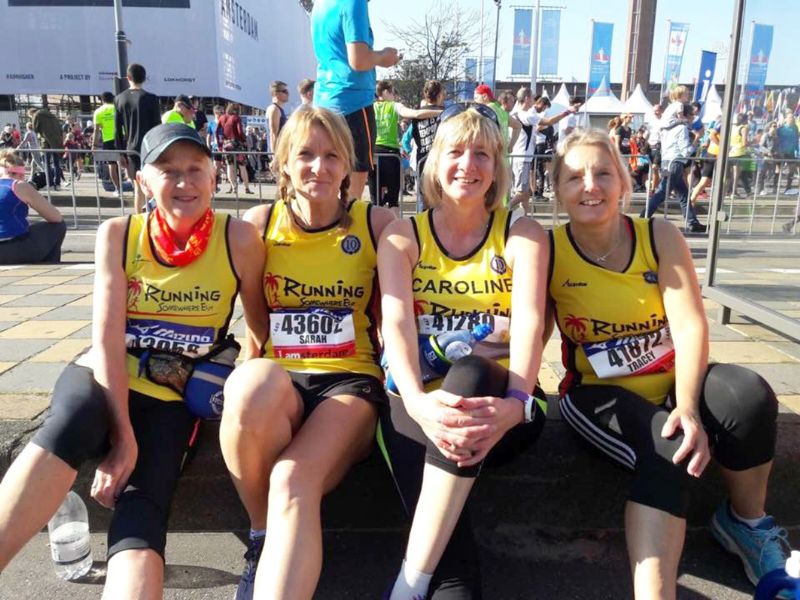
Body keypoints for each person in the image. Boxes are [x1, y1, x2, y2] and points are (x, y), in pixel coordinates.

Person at [0, 123, 267, 598]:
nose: (184, 183)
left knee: (146, 499)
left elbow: (259, 334)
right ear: (142, 180)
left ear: (214, 174)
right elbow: (104, 338)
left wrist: (235, 385)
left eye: (195, 170)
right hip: (103, 373)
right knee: (70, 421)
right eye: (168, 171)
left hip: (173, 392)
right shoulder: (119, 233)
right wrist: (122, 437)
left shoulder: (240, 238)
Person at [547, 128, 788, 600]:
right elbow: (529, 332)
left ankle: (745, 524)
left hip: (673, 382)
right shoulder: (550, 249)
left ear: (623, 181)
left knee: (749, 396)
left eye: (602, 173)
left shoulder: (658, 234)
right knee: (667, 447)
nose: (590, 186)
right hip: (596, 393)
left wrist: (691, 406)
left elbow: (691, 325)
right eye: (574, 177)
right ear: (557, 189)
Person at [219, 106, 394, 600]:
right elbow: (255, 317)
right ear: (283, 163)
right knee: (249, 383)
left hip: (348, 382)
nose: (319, 167)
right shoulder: (258, 224)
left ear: (347, 165)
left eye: (331, 155)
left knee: (292, 477)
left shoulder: (376, 222)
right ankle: (262, 538)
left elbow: (393, 315)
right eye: (306, 155)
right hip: (282, 381)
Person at [378, 104, 549, 599]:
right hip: (413, 400)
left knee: (472, 374)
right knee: (456, 573)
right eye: (455, 151)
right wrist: (416, 404)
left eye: (482, 154)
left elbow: (531, 326)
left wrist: (517, 406)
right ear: (433, 162)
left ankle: (408, 585)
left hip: (503, 404)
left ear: (498, 166)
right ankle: (431, 583)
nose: (467, 166)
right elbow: (395, 323)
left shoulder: (522, 232)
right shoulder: (402, 235)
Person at [311, 0, 400, 201]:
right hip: (353, 102)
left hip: (324, 101)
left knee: (325, 182)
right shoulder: (353, 2)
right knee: (351, 195)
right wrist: (384, 57)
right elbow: (359, 60)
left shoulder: (321, 4)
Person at [369, 81, 441, 211]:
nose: (394, 96)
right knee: (393, 200)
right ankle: (394, 225)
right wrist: (441, 112)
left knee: (375, 200)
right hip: (390, 154)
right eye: (393, 92)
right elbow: (416, 114)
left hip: (374, 153)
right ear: (385, 92)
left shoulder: (370, 107)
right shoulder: (394, 106)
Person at [641, 103, 706, 233]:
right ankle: (643, 218)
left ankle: (693, 222)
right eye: (692, 116)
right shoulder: (681, 128)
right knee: (661, 193)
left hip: (667, 161)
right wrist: (696, 141)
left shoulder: (667, 128)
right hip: (676, 163)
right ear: (686, 115)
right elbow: (685, 151)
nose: (693, 119)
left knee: (683, 194)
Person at [0, 150, 65, 264]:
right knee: (58, 226)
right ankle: (50, 264)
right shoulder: (19, 185)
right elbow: (55, 217)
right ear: (21, 173)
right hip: (9, 247)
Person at [114, 63, 162, 213]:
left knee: (138, 187)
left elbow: (118, 130)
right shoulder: (151, 99)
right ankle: (152, 217)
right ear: (144, 78)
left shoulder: (119, 99)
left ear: (128, 77)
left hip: (131, 148)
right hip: (150, 147)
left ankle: (138, 220)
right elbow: (157, 126)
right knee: (154, 184)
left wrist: (120, 153)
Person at [216, 103, 253, 195]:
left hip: (226, 144)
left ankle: (234, 188)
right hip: (237, 144)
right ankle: (246, 188)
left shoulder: (222, 118)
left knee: (230, 166)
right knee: (242, 166)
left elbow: (218, 132)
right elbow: (240, 131)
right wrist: (244, 140)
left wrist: (220, 145)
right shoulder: (236, 118)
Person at [93, 91, 122, 196]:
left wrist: (94, 144)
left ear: (102, 100)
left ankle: (118, 189)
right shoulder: (117, 108)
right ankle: (134, 185)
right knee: (125, 164)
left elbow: (96, 130)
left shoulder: (98, 111)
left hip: (108, 140)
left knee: (112, 165)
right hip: (121, 138)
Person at [29, 106, 64, 190]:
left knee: (46, 164)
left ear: (31, 113)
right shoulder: (52, 116)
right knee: (56, 164)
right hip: (56, 142)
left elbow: (35, 129)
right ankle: (57, 184)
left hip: (46, 143)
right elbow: (60, 128)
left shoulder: (36, 115)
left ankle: (50, 184)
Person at [266, 80, 289, 155]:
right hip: (278, 153)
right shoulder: (274, 109)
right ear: (276, 93)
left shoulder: (278, 109)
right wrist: (274, 156)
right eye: (284, 91)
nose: (288, 94)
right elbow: (273, 134)